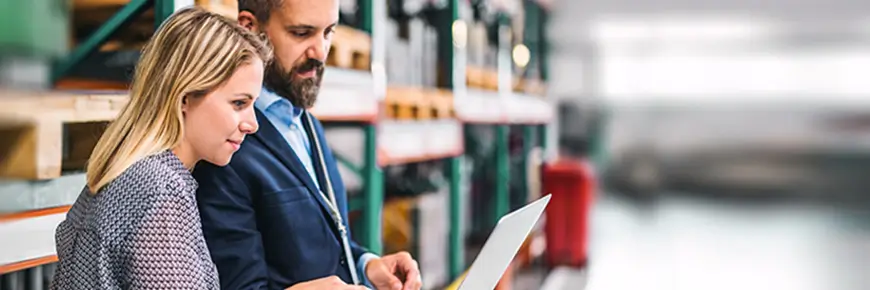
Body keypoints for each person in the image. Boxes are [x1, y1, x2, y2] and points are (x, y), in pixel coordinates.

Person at [192, 0, 424, 289]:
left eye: (328, 32)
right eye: (301, 33)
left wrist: (367, 265)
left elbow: (327, 244)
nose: (321, 52)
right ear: (249, 28)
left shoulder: (305, 123)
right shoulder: (226, 146)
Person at [49, 7, 271, 290]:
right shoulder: (160, 187)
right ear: (185, 97)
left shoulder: (126, 173)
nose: (252, 124)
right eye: (239, 103)